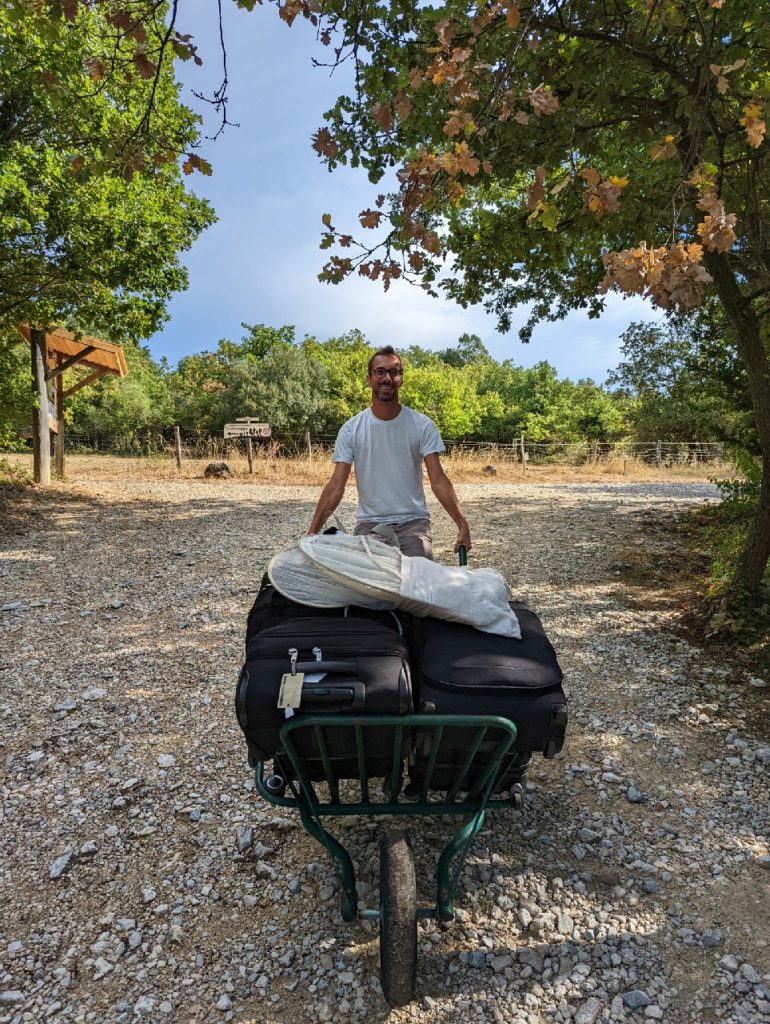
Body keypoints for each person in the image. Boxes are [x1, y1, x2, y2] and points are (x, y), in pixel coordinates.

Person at [308, 345, 471, 558]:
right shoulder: (352, 429)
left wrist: (462, 524)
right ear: (369, 379)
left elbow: (438, 479)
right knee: (369, 582)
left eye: (394, 372)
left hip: (413, 523)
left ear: (401, 379)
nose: (387, 378)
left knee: (418, 579)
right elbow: (336, 485)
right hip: (370, 524)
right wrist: (312, 531)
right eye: (380, 372)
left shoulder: (421, 425)